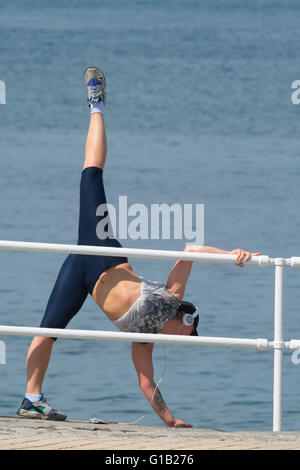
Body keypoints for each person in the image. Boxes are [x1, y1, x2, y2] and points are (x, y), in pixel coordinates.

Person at [17, 67, 262, 427]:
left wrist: (170, 420)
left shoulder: (143, 340)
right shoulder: (172, 298)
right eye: (189, 335)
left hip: (81, 277)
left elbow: (146, 383)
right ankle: (96, 104)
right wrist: (234, 256)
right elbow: (192, 249)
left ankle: (32, 399)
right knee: (91, 175)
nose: (184, 339)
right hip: (102, 254)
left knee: (47, 331)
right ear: (186, 322)